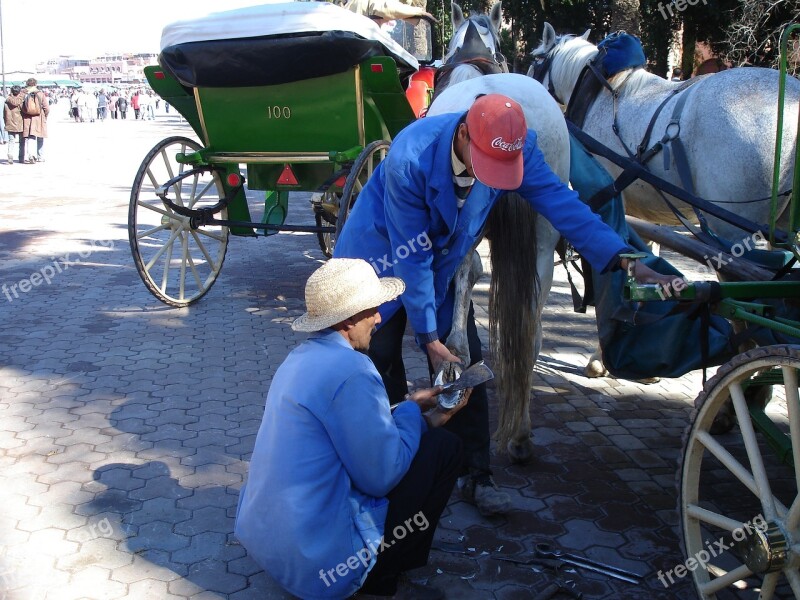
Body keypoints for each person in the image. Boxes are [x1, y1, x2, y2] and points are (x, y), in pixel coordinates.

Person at [334, 94, 675, 516]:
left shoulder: (517, 147)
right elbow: (410, 255)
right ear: (463, 134)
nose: (490, 179)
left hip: (442, 260)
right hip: (379, 255)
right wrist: (427, 337)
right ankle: (380, 474)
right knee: (376, 359)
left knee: (463, 365)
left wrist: (625, 258)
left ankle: (475, 474)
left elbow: (563, 205)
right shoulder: (412, 156)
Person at [235, 258, 468, 600]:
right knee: (445, 448)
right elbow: (382, 476)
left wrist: (417, 414)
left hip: (269, 542)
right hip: (319, 567)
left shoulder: (299, 357)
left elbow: (352, 432)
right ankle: (379, 577)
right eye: (372, 310)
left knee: (422, 435)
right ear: (347, 319)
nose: (378, 318)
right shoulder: (354, 369)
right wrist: (410, 412)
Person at [20, 78, 49, 164]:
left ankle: (31, 155)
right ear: (35, 84)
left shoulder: (23, 93)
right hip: (39, 117)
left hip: (27, 118)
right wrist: (45, 116)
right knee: (40, 137)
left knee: (30, 137)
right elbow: (46, 107)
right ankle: (40, 156)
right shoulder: (40, 93)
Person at [3, 86, 24, 165]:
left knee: (11, 141)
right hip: (20, 123)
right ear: (19, 92)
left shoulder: (7, 100)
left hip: (10, 123)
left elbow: (4, 113)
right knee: (22, 142)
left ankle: (10, 154)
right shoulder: (20, 101)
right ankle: (21, 158)